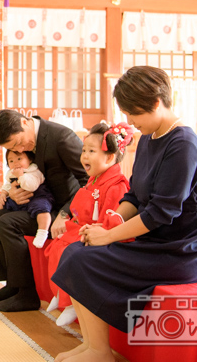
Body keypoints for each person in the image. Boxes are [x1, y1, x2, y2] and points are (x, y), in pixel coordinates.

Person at [51, 66, 197, 362]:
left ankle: (100, 351)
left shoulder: (183, 144)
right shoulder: (150, 138)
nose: (129, 122)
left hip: (180, 247)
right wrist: (106, 224)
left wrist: (110, 235)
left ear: (155, 103)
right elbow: (136, 197)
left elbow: (161, 212)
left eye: (133, 114)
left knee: (83, 260)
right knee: (75, 252)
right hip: (154, 237)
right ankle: (92, 345)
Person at [0, 109, 88, 312]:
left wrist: (65, 214)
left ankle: (27, 294)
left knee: (8, 223)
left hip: (63, 209)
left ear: (25, 122)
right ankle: (12, 286)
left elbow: (88, 180)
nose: (21, 149)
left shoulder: (62, 137)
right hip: (37, 205)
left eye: (19, 143)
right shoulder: (25, 139)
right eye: (13, 148)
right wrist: (12, 192)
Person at [43, 121, 132, 327]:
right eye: (84, 150)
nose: (84, 156)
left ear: (110, 157)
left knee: (68, 249)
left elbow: (111, 221)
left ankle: (72, 301)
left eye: (91, 151)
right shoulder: (93, 180)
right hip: (83, 229)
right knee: (56, 245)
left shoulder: (116, 185)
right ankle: (62, 295)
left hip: (102, 233)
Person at [1, 150, 52, 248]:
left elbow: (31, 186)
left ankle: (42, 231)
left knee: (42, 209)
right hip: (21, 200)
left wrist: (20, 176)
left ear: (30, 159)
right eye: (11, 161)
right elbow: (8, 184)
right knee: (3, 205)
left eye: (19, 159)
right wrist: (4, 192)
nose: (15, 163)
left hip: (37, 196)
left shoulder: (34, 171)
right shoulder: (13, 173)